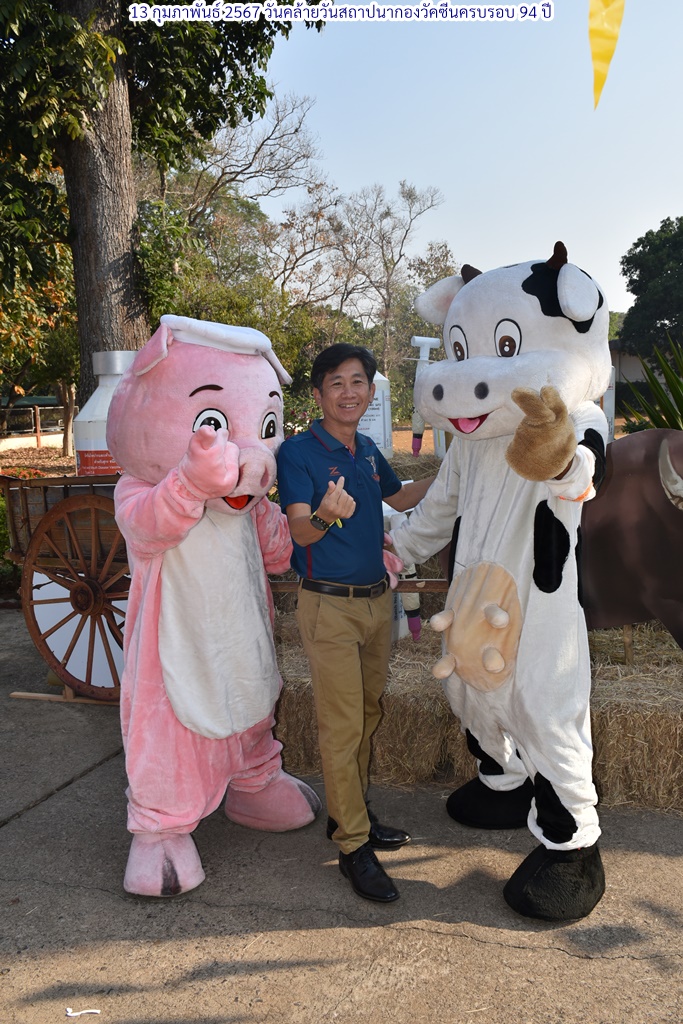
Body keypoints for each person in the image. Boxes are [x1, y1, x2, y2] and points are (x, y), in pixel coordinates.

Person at [276, 344, 434, 904]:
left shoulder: (366, 450)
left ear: (369, 390)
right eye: (337, 382)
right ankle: (353, 846)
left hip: (375, 603)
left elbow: (401, 496)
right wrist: (326, 515)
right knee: (342, 726)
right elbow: (299, 531)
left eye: (358, 381)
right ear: (318, 393)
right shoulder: (298, 453)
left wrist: (454, 474)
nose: (349, 392)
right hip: (329, 607)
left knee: (367, 714)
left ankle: (351, 813)